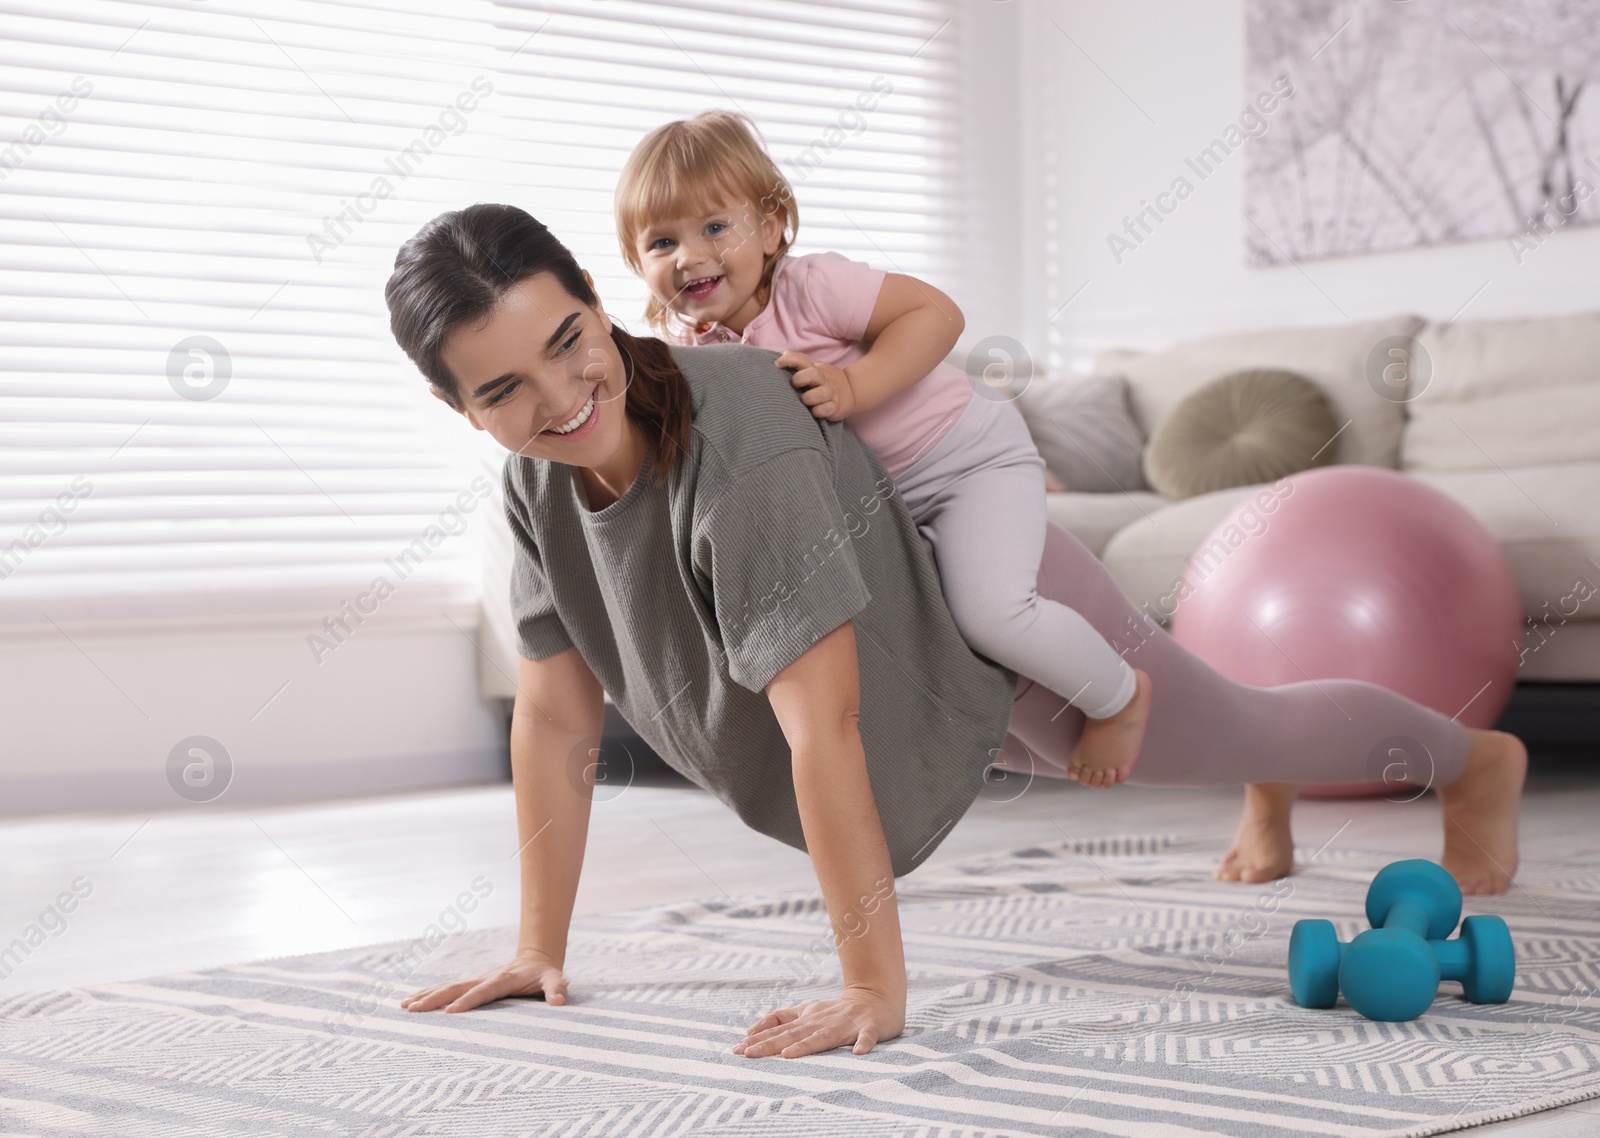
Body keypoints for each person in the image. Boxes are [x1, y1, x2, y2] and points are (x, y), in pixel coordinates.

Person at [382, 203, 1528, 1061]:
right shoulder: (535, 494)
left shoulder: (740, 440)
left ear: (592, 288)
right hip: (913, 662)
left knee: (1237, 725)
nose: (560, 396)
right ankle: (1264, 780)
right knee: (1227, 733)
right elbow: (550, 715)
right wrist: (541, 948)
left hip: (999, 618)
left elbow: (822, 726)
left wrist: (873, 989)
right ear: (454, 407)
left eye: (568, 337)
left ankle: (1475, 762)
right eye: (501, 392)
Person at [613, 109, 1147, 789]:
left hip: (968, 459)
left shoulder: (811, 287)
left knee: (992, 615)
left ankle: (1120, 695)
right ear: (639, 263)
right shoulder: (700, 356)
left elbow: (937, 314)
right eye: (662, 242)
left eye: (715, 227)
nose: (689, 255)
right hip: (882, 503)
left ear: (772, 226)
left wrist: (853, 385)